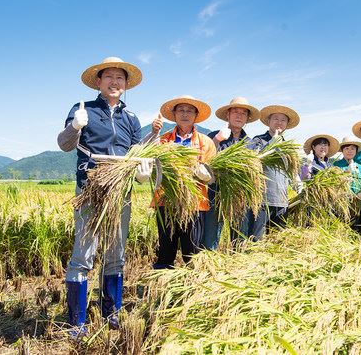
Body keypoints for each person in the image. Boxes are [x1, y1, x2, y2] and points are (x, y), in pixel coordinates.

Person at [57, 57, 151, 337]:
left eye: (120, 78)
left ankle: (112, 313)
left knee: (116, 255)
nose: (114, 82)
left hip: (120, 194)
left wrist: (141, 173)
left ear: (126, 85)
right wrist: (75, 127)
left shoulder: (131, 119)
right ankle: (77, 322)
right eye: (109, 77)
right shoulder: (83, 109)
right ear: (98, 82)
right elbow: (63, 145)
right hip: (90, 191)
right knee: (83, 256)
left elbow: (136, 158)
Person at [151, 96, 216, 269]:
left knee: (192, 251)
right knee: (165, 250)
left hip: (194, 203)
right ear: (174, 114)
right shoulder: (163, 140)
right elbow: (153, 169)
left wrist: (205, 174)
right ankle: (161, 288)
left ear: (196, 115)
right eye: (181, 110)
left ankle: (192, 289)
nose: (185, 114)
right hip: (166, 202)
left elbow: (213, 176)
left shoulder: (205, 142)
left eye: (189, 110)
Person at [203, 97, 260, 249]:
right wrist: (217, 139)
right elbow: (203, 159)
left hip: (240, 196)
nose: (239, 115)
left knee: (240, 239)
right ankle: (209, 265)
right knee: (210, 238)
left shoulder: (251, 143)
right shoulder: (214, 136)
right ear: (227, 115)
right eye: (235, 111)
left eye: (243, 113)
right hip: (215, 194)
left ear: (247, 118)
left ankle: (237, 267)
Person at [248, 104, 300, 240]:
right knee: (256, 239)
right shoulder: (258, 140)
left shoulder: (288, 146)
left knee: (277, 241)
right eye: (275, 119)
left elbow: (292, 172)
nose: (279, 122)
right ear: (269, 121)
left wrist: (300, 188)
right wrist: (272, 143)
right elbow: (253, 161)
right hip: (262, 200)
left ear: (287, 124)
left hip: (282, 201)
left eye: (283, 120)